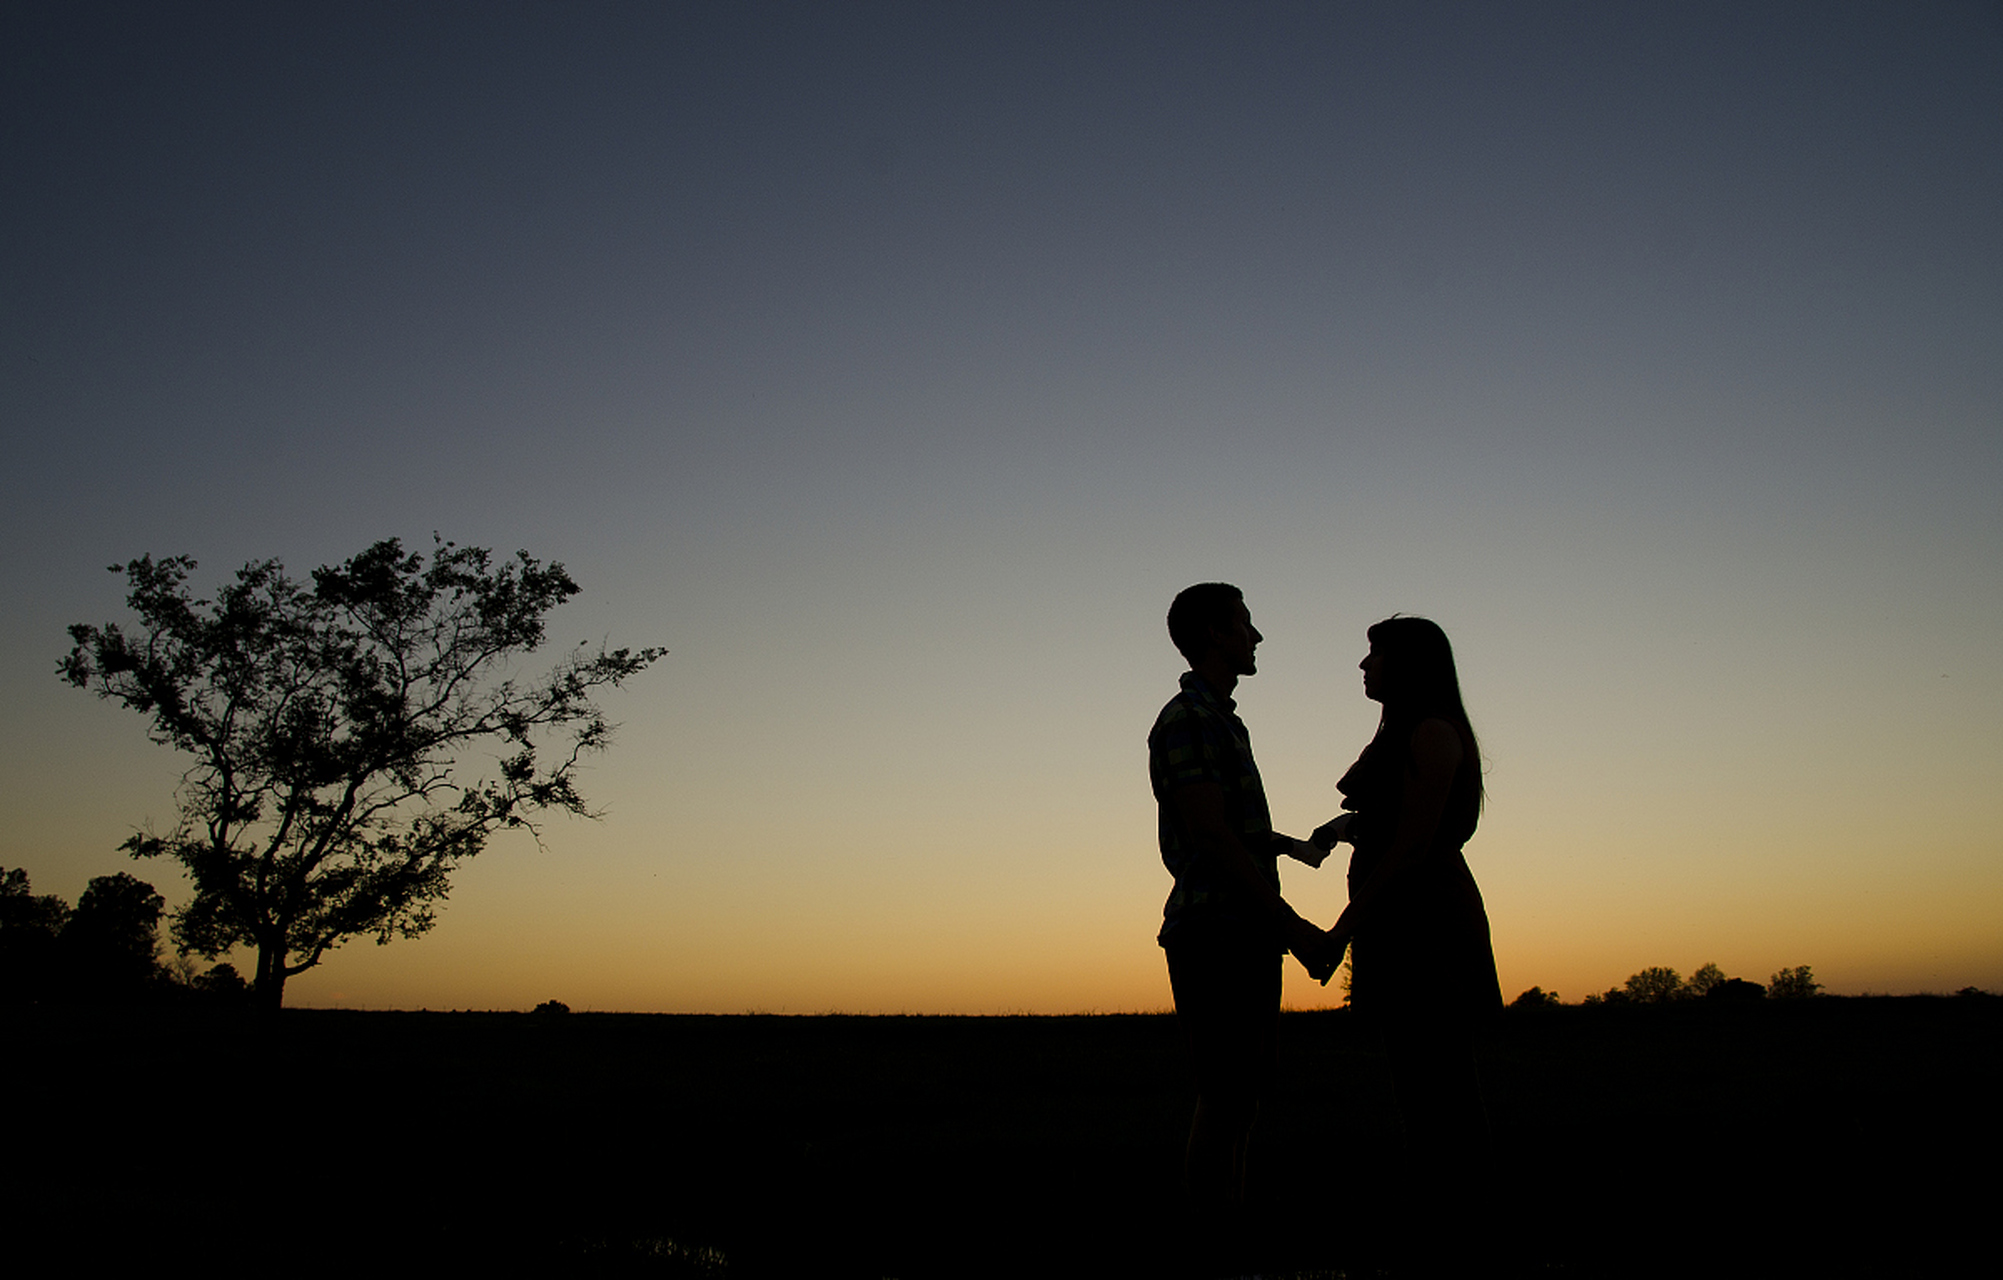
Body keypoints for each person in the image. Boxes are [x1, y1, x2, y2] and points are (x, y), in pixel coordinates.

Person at [1307, 615, 1501, 1236]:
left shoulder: (1433, 733)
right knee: (1418, 1087)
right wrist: (1334, 834)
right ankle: (1442, 1224)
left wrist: (1337, 934)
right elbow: (1391, 822)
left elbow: (1414, 845)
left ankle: (1460, 1226)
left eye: (1376, 654)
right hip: (1395, 919)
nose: (1365, 666)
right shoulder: (1403, 733)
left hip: (1426, 920)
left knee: (1441, 1087)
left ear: (1410, 665)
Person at [1148, 583, 1333, 1226]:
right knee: (1226, 1090)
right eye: (1245, 624)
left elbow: (1229, 828)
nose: (1255, 636)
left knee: (1244, 1092)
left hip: (1244, 927)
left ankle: (1230, 1225)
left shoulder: (1223, 719)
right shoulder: (1189, 719)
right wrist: (1294, 925)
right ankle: (1211, 1238)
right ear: (1214, 635)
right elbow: (1209, 835)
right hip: (1214, 927)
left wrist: (1297, 846)